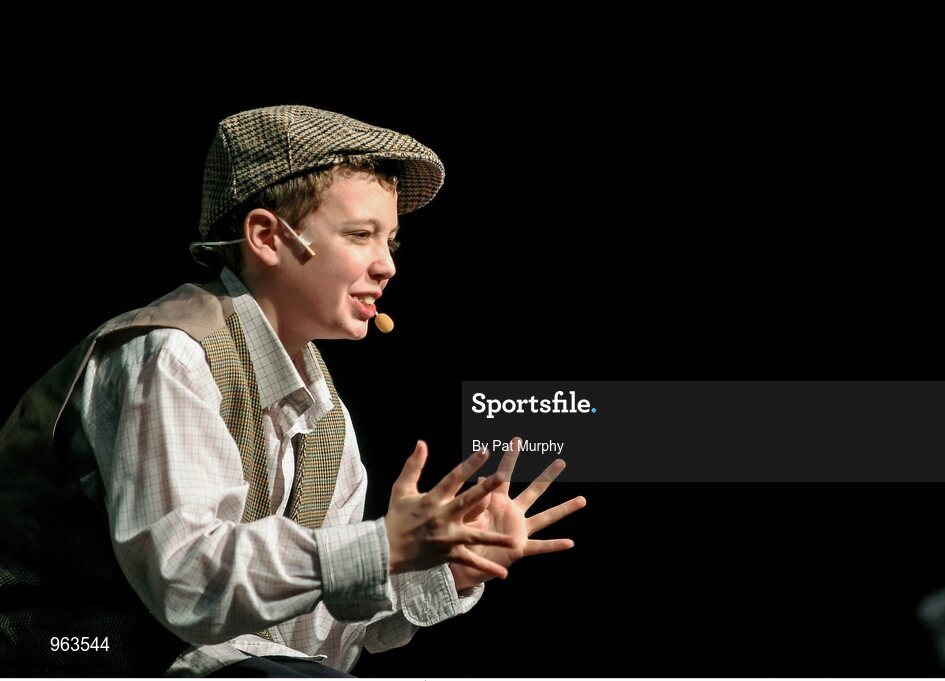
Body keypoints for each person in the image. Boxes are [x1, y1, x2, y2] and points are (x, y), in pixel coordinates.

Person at [0, 104, 585, 676]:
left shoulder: (324, 416)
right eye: (361, 235)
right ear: (266, 237)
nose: (388, 267)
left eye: (392, 243)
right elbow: (187, 583)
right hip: (67, 650)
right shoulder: (170, 354)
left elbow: (304, 637)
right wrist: (382, 545)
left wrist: (446, 562)